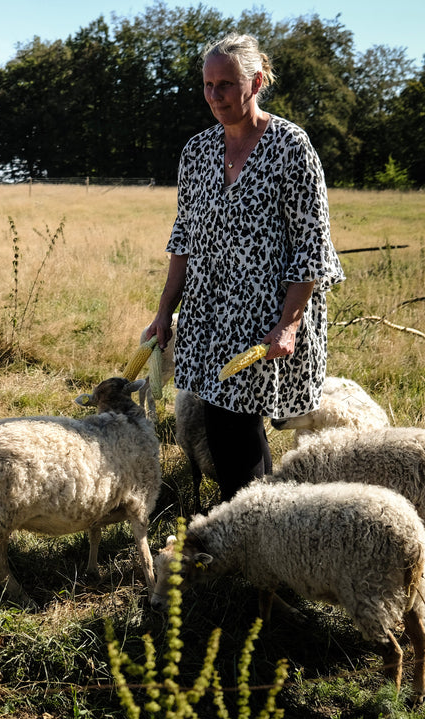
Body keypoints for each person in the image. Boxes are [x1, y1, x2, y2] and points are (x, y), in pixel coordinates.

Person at [142, 32, 344, 502]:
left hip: (267, 315)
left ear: (255, 82)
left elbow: (311, 244)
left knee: (235, 426)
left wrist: (289, 324)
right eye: (208, 85)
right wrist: (164, 310)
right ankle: (257, 526)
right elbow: (183, 239)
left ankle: (250, 531)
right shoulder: (196, 153)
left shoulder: (291, 147)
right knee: (225, 424)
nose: (215, 96)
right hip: (209, 312)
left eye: (227, 85)